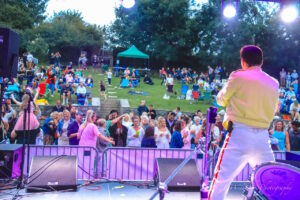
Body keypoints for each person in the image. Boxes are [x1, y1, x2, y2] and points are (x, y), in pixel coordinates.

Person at [208, 45, 279, 200]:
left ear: (243, 61)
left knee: (221, 180)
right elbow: (274, 109)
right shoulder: (274, 83)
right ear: (261, 61)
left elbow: (221, 99)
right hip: (262, 137)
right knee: (272, 183)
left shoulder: (238, 76)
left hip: (239, 134)